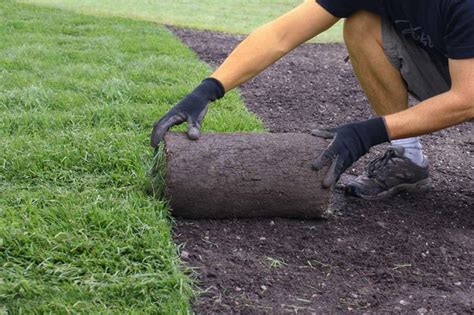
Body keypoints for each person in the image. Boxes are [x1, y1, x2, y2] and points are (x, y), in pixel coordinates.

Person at [150, 0, 474, 200]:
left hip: (468, 87)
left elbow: (466, 99)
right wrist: (208, 88)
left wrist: (367, 133)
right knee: (361, 24)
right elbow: (282, 34)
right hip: (455, 69)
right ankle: (409, 157)